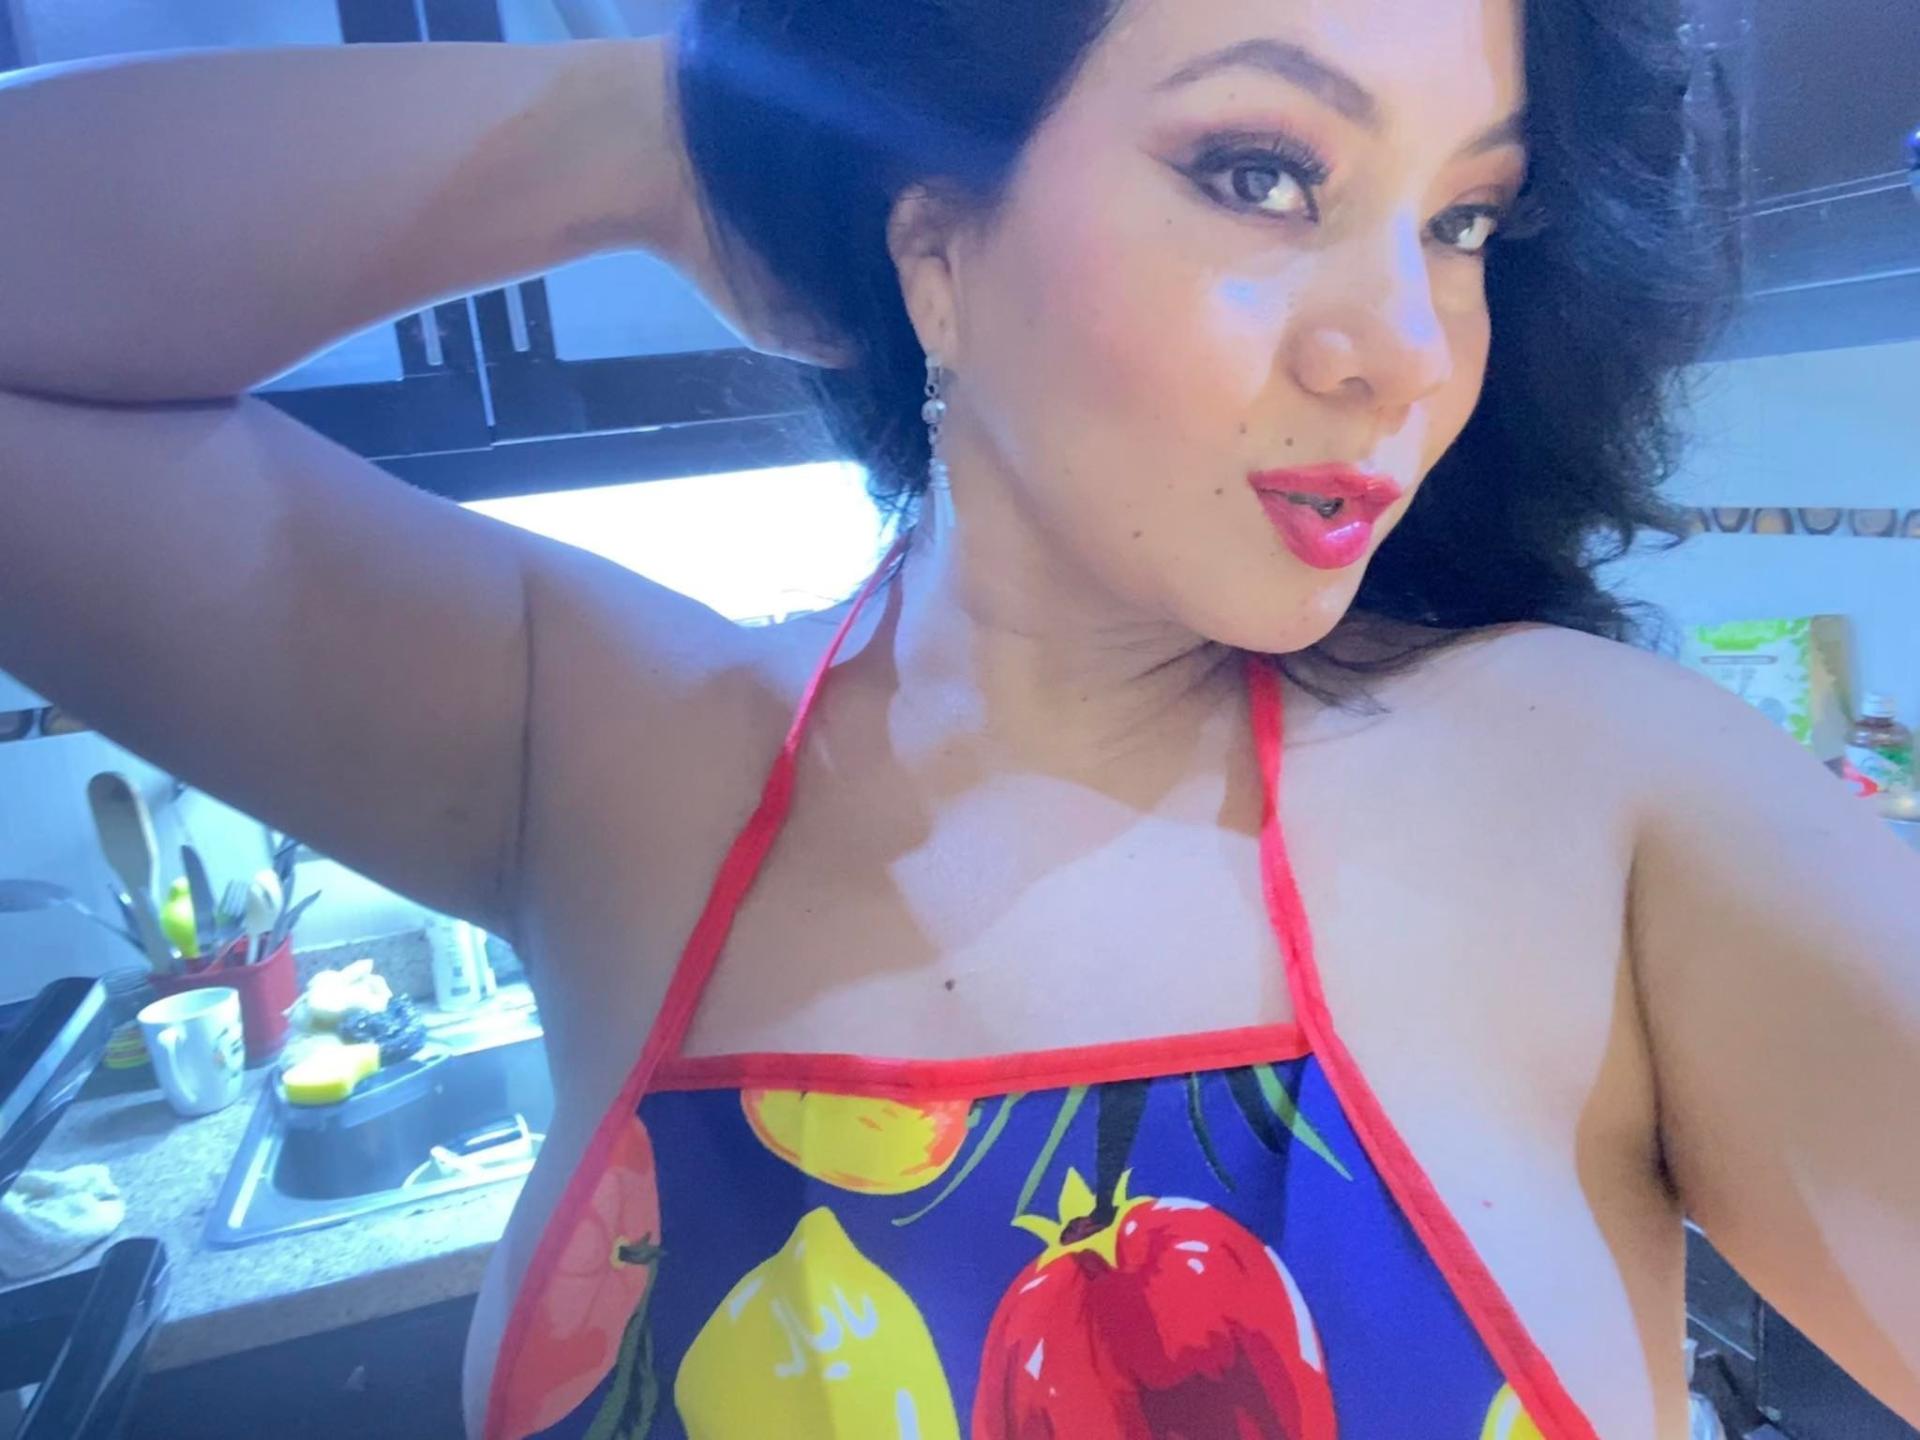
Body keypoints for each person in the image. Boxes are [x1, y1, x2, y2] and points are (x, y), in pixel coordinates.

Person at [1, 0, 1915, 1435]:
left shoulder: (1603, 799)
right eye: (1264, 174)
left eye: (1466, 220)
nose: (1406, 351)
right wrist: (676, 125)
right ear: (936, 242)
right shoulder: (597, 752)